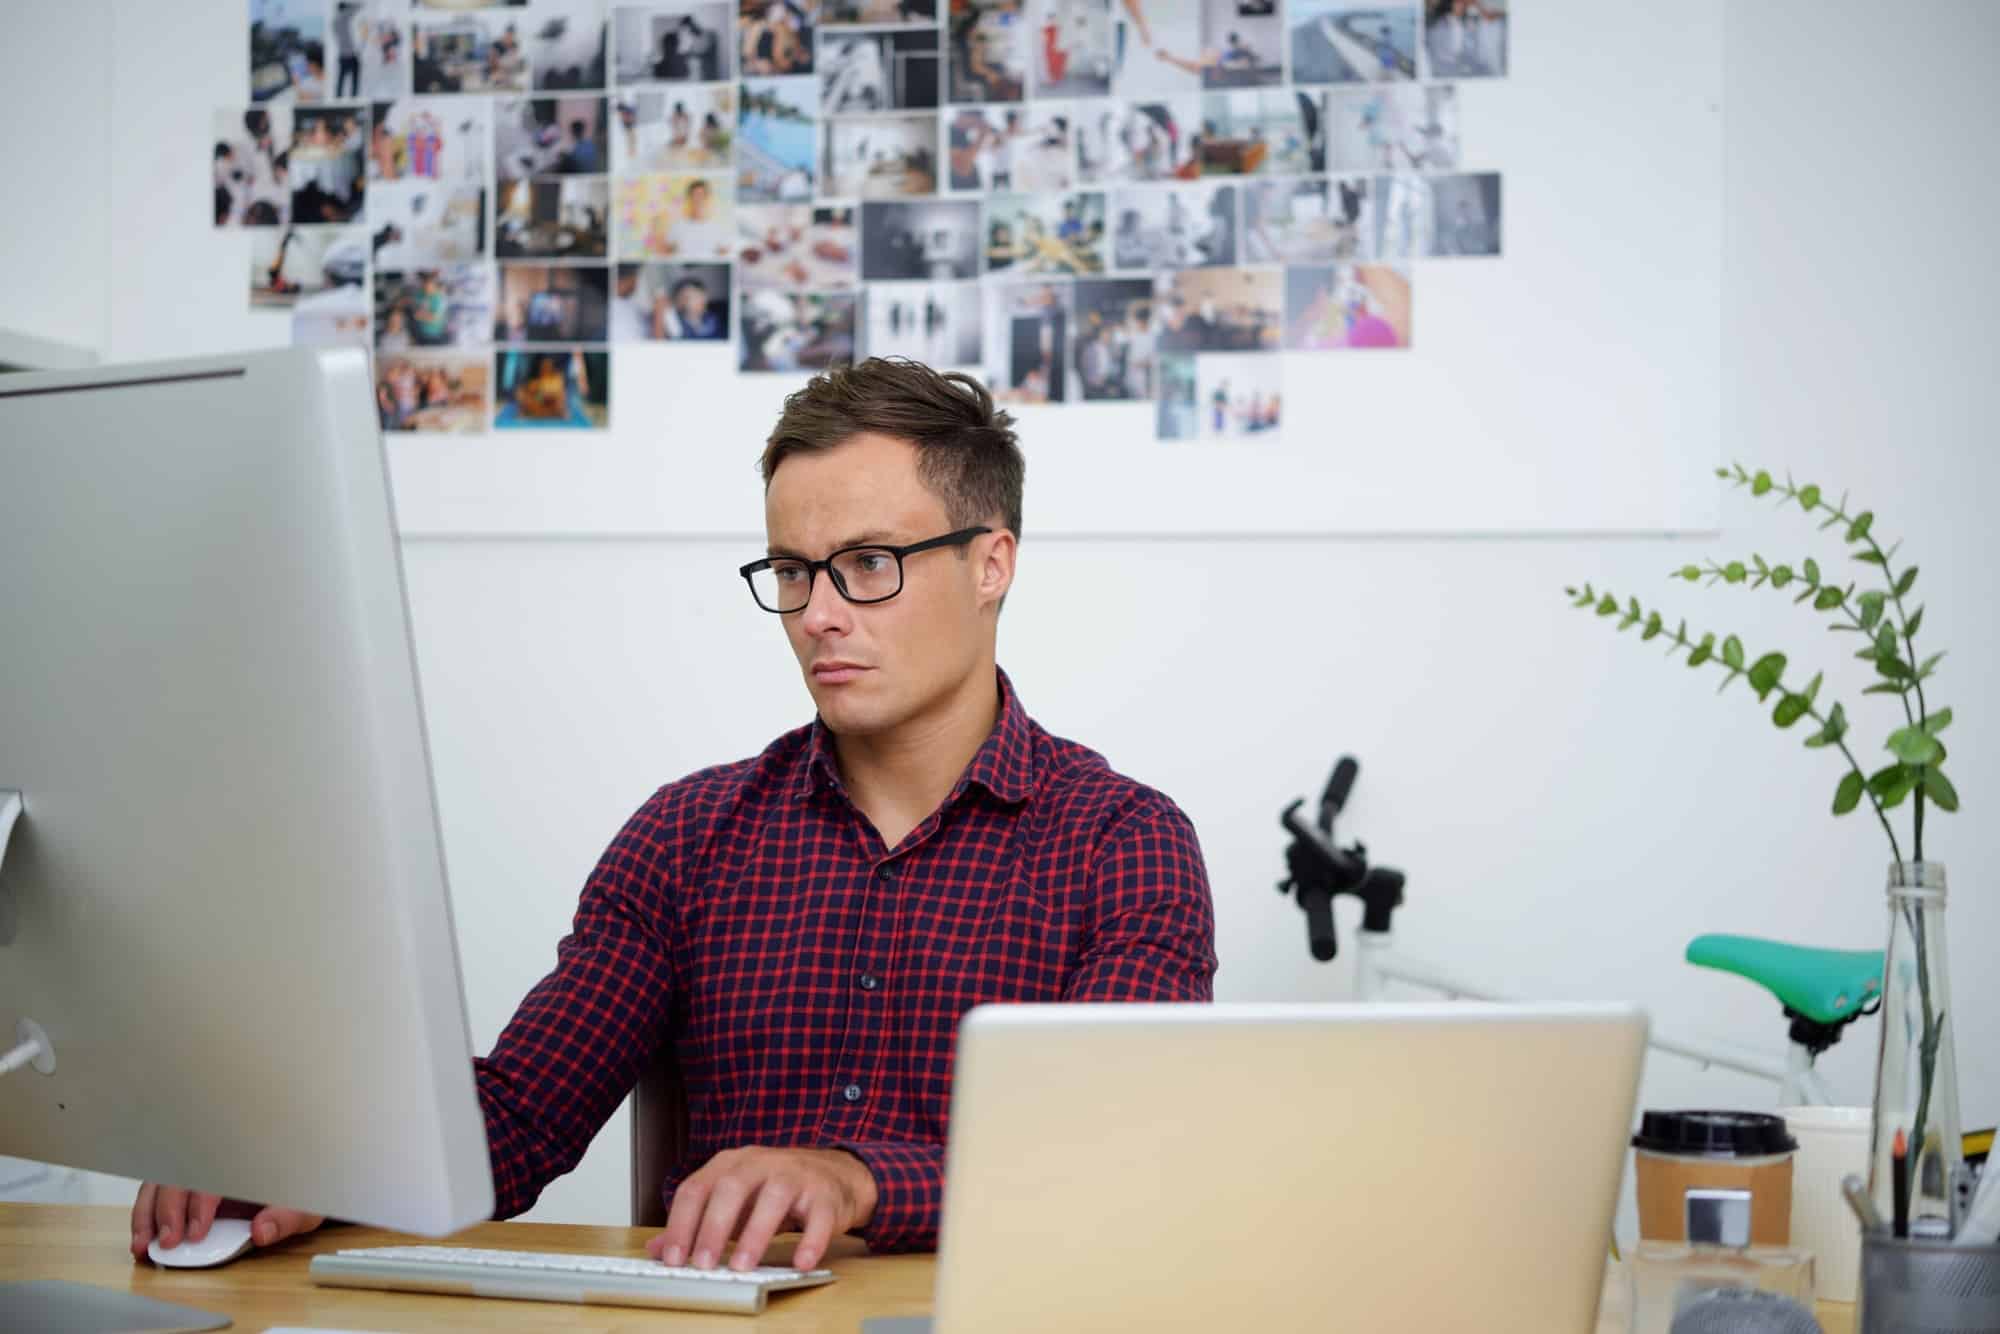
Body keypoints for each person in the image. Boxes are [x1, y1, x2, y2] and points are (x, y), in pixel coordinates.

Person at [131, 358, 1217, 1271]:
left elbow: (1105, 1157)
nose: (819, 615)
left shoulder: (1124, 842)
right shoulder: (689, 836)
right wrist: (306, 1153)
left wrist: (851, 1176)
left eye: (868, 565)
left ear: (992, 564)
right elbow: (520, 1114)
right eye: (791, 570)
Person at [333, 3, 362, 98]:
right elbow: (358, 6)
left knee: (341, 80)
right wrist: (349, 5)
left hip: (343, 55)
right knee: (354, 79)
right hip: (350, 55)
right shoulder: (343, 18)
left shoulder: (335, 21)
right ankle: (353, 99)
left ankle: (338, 99)